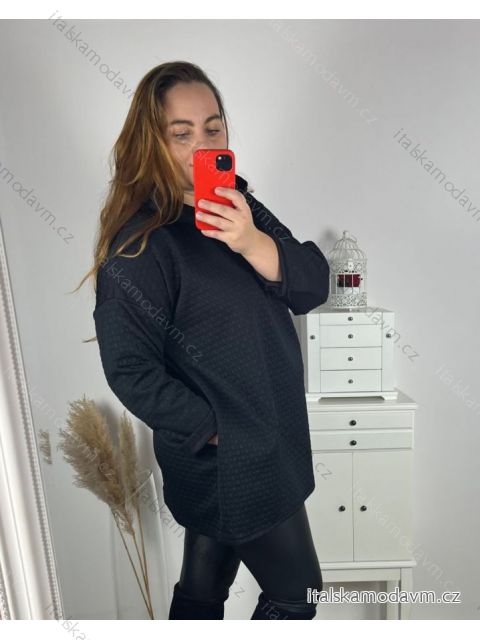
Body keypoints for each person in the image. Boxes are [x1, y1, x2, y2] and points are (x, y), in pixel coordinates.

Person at [76, 60, 330, 619]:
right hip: (234, 459)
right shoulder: (141, 245)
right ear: (151, 142)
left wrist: (251, 241)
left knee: (203, 585)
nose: (203, 145)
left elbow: (313, 286)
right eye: (182, 133)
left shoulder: (239, 205)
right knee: (298, 594)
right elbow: (130, 369)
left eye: (213, 128)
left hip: (272, 436)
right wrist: (219, 431)